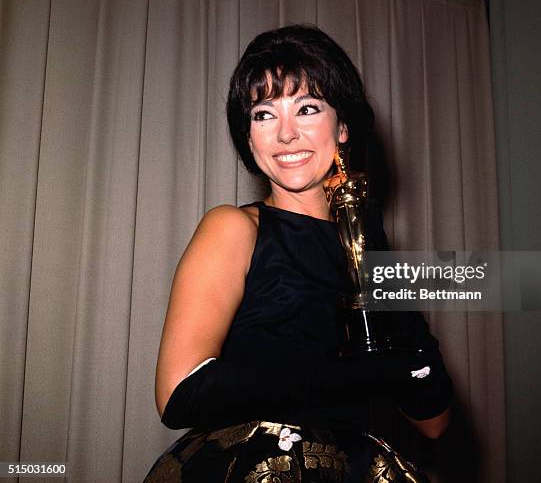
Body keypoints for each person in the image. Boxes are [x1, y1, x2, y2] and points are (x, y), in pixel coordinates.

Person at [144, 25, 452, 482]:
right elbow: (179, 395)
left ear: (342, 126)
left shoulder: (370, 249)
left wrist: (406, 332)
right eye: (264, 114)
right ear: (248, 137)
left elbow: (433, 421)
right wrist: (361, 373)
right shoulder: (234, 227)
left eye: (307, 108)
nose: (286, 134)